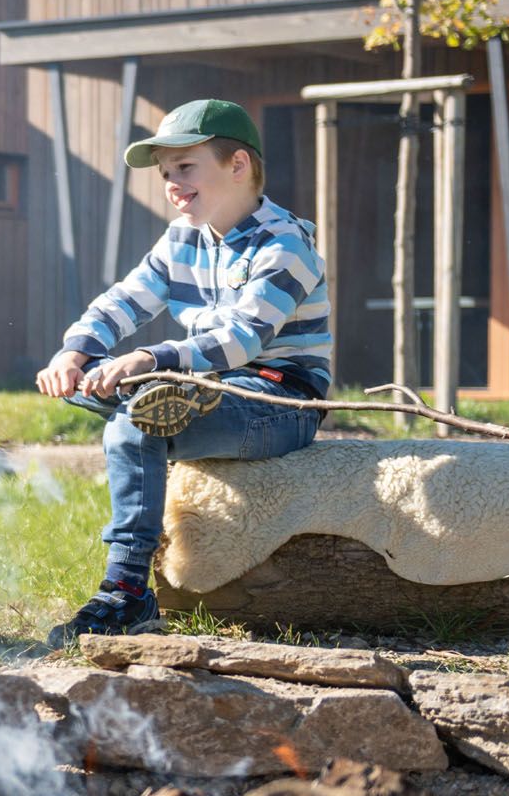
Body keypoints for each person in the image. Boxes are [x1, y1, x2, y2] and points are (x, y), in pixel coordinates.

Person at [37, 97, 329, 646]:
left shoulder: (286, 244)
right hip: (204, 384)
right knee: (96, 379)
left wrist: (151, 360)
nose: (172, 183)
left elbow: (243, 338)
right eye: (166, 174)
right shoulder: (181, 239)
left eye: (186, 168)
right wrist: (76, 352)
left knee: (133, 421)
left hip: (277, 398)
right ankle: (145, 396)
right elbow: (126, 300)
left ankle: (126, 589)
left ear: (238, 165)